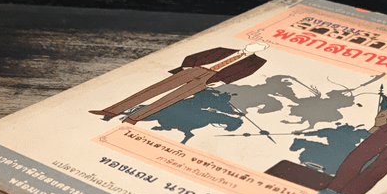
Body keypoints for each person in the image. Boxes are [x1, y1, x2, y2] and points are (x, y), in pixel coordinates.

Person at [89, 43, 268, 123]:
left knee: (172, 98)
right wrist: (187, 67)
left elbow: (244, 73)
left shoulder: (255, 62)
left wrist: (221, 81)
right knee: (152, 90)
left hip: (211, 79)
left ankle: (134, 118)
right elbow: (196, 56)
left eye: (259, 47)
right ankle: (111, 111)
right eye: (254, 44)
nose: (255, 46)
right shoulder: (223, 49)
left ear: (260, 50)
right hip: (195, 70)